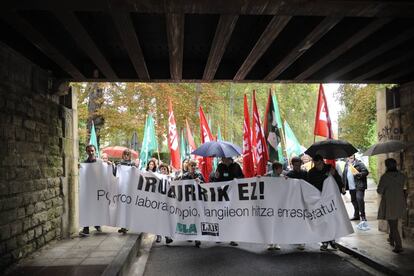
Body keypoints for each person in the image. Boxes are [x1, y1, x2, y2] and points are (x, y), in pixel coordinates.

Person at [307, 154, 344, 251]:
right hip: (318, 199)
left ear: (322, 161)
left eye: (319, 164)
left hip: (330, 199)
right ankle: (324, 242)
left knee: (331, 219)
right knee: (322, 221)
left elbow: (338, 180)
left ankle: (332, 240)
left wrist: (335, 176)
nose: (317, 166)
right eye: (315, 164)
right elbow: (309, 185)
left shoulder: (329, 168)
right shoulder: (311, 172)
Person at [377, 158, 407, 253]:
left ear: (386, 166)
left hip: (389, 203)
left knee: (393, 225)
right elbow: (405, 188)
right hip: (400, 202)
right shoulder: (402, 176)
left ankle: (399, 246)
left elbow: (379, 191)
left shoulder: (385, 177)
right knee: (394, 222)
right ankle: (391, 239)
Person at [79, 144, 102, 237]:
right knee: (86, 208)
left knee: (96, 207)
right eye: (89, 151)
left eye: (92, 150)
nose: (91, 152)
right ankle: (86, 228)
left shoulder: (100, 162)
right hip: (88, 190)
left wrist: (109, 164)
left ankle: (97, 224)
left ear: (95, 151)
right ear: (86, 152)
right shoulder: (84, 164)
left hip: (97, 190)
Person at [286, 156, 308, 250]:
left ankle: (301, 239)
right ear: (292, 165)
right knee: (295, 220)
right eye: (296, 165)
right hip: (293, 201)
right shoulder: (289, 175)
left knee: (302, 220)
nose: (297, 167)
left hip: (303, 199)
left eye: (299, 165)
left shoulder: (305, 173)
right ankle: (296, 237)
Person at [182, 160, 204, 247]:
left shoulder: (199, 175)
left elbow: (205, 185)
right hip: (188, 200)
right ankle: (190, 234)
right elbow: (180, 186)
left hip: (198, 200)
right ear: (188, 167)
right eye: (191, 165)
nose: (193, 167)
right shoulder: (184, 176)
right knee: (190, 218)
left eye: (194, 166)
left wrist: (200, 182)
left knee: (197, 218)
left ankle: (197, 238)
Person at [342, 154, 369, 221]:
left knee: (359, 199)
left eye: (351, 155)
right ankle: (356, 215)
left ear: (354, 156)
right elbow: (344, 175)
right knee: (353, 201)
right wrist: (343, 186)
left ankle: (363, 216)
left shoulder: (359, 163)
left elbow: (366, 172)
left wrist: (359, 174)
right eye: (348, 156)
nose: (350, 157)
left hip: (359, 186)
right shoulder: (346, 164)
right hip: (351, 186)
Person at [117, 149, 137, 234]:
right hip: (122, 189)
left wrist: (135, 167)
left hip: (129, 188)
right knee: (122, 207)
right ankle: (123, 226)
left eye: (127, 155)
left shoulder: (132, 164)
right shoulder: (119, 164)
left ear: (129, 156)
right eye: (124, 154)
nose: (126, 156)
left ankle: (127, 225)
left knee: (128, 207)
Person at [155, 163, 174, 245]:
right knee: (159, 218)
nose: (163, 170)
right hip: (159, 201)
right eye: (162, 169)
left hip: (167, 201)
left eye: (165, 169)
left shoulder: (170, 178)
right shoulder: (157, 177)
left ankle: (167, 237)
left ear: (167, 170)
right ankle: (158, 235)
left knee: (167, 219)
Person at [267, 161, 283, 251]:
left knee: (277, 223)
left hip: (279, 203)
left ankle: (277, 243)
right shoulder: (268, 176)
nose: (282, 170)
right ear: (275, 169)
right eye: (280, 168)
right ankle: (270, 243)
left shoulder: (282, 177)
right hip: (269, 203)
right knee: (270, 223)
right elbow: (260, 180)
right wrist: (259, 178)